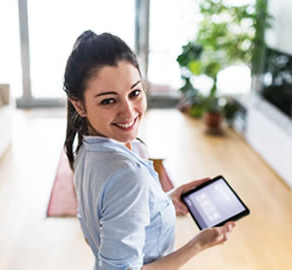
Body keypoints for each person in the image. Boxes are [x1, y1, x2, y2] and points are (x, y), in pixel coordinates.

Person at [63, 30, 235, 270]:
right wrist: (198, 244)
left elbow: (108, 222)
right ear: (79, 104)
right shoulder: (128, 176)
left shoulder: (84, 147)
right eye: (108, 100)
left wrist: (162, 202)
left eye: (134, 93)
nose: (129, 112)